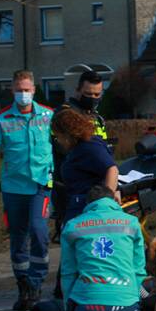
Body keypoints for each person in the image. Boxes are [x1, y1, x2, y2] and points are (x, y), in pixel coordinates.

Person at [0, 70, 54, 311]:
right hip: (13, 188)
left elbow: (62, 145)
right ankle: (24, 286)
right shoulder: (1, 120)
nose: (23, 94)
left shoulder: (48, 116)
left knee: (40, 231)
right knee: (18, 237)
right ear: (13, 90)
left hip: (41, 185)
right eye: (19, 90)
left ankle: (36, 281)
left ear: (34, 90)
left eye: (27, 90)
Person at [59, 184, 145, 311]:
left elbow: (68, 272)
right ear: (114, 200)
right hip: (126, 307)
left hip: (88, 308)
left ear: (88, 203)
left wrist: (69, 306)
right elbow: (139, 270)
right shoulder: (131, 223)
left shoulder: (73, 226)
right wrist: (135, 299)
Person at [52, 71, 108, 234]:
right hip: (71, 188)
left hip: (96, 186)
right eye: (88, 94)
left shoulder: (96, 118)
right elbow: (64, 148)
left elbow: (104, 147)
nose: (93, 98)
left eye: (97, 94)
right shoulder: (66, 114)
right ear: (77, 91)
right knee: (75, 237)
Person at [52, 109, 118, 225]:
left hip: (88, 207)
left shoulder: (89, 146)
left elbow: (111, 170)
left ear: (67, 134)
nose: (59, 141)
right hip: (81, 204)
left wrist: (107, 201)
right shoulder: (78, 147)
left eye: (58, 137)